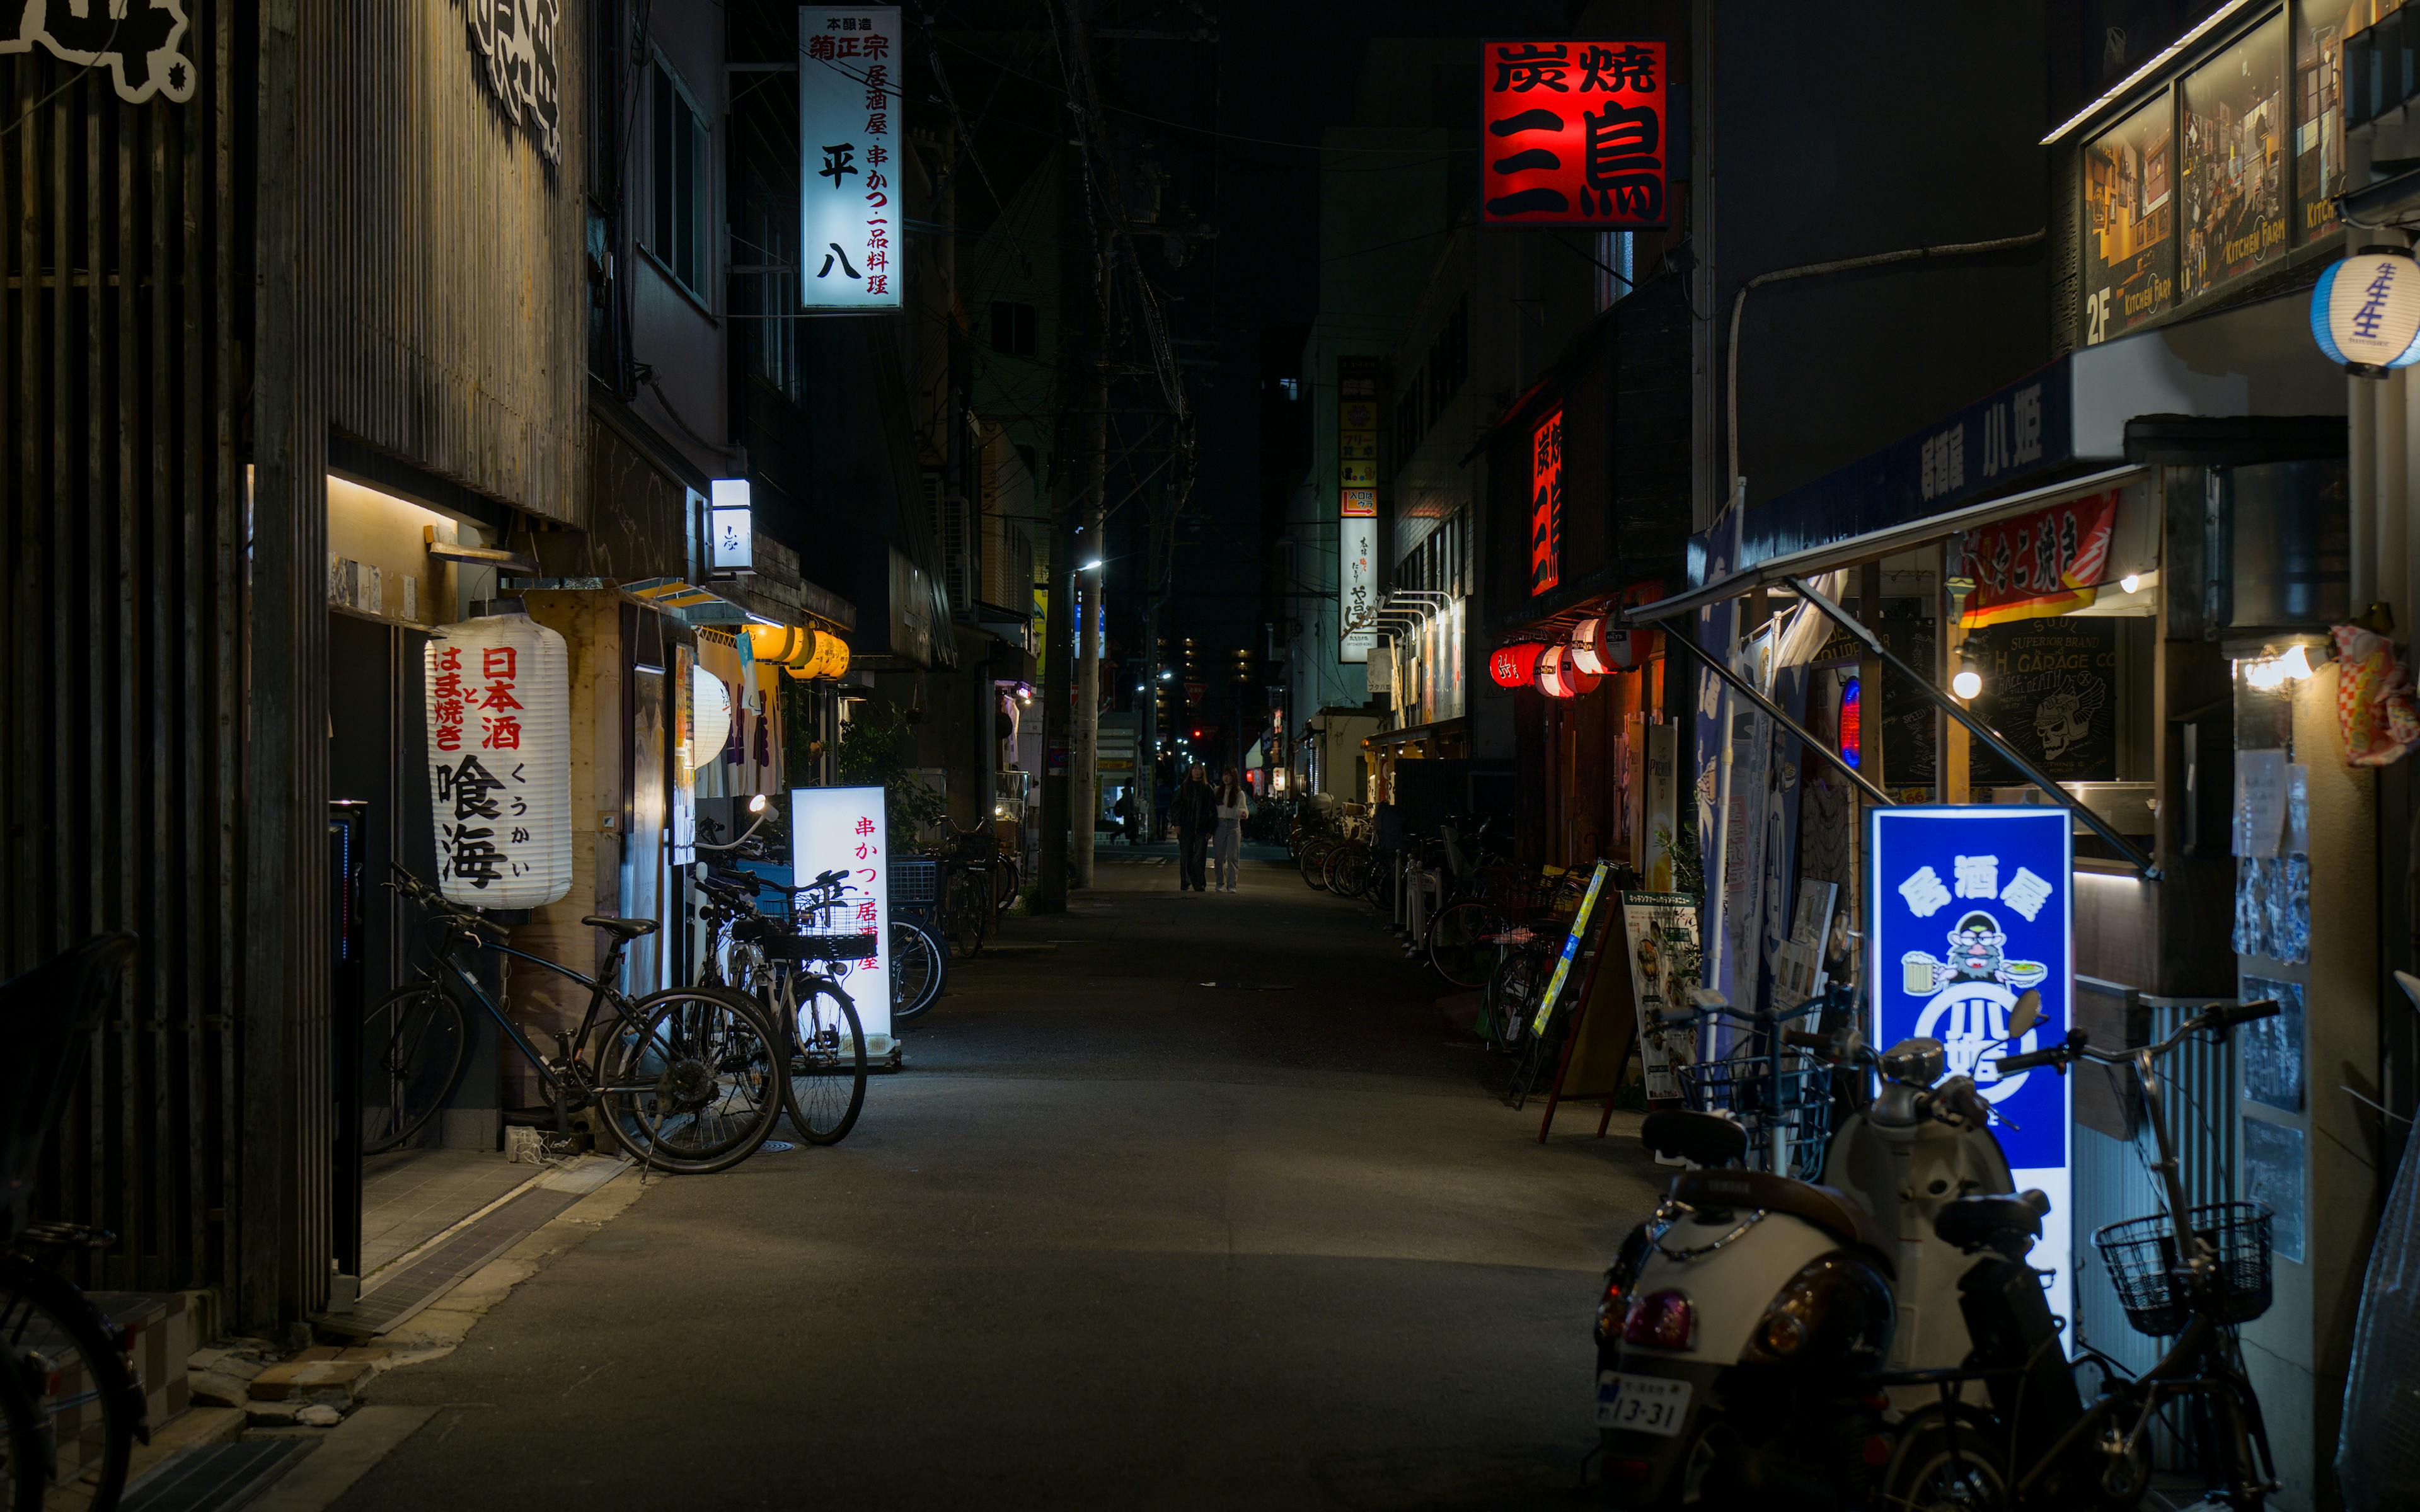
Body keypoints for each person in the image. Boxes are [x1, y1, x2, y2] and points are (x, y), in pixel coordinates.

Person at [1173, 764, 1216, 892]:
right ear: (1191, 771)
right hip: (1186, 826)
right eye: (1195, 769)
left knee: (1199, 856)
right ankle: (1186, 881)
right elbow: (1176, 805)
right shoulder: (1185, 787)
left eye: (1200, 769)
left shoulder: (1207, 789)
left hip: (1202, 827)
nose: (1197, 772)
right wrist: (1177, 823)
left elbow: (1212, 810)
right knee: (1186, 855)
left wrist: (1210, 829)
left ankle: (1199, 883)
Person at [1213, 767, 1250, 893]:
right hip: (1220, 825)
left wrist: (1243, 813)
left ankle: (1232, 885)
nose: (1226, 778)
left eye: (1228, 775)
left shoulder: (1239, 793)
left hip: (1234, 825)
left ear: (1234, 777)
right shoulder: (1217, 791)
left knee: (1233, 857)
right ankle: (1219, 883)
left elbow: (1243, 808)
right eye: (1224, 775)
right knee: (1219, 857)